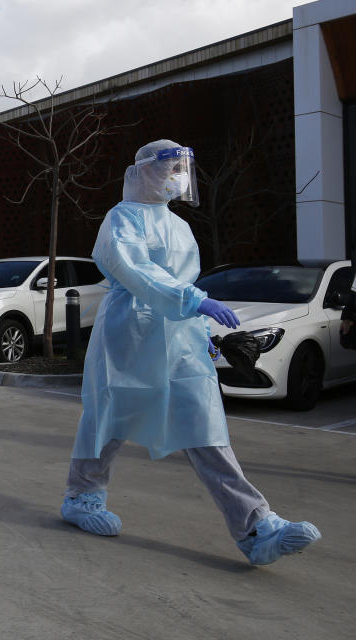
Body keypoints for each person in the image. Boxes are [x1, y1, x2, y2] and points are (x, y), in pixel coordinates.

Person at [60, 140, 321, 565]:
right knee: (110, 415)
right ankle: (82, 496)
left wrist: (204, 333)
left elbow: (183, 280)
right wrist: (193, 301)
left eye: (182, 170)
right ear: (144, 171)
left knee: (203, 424)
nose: (177, 177)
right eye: (170, 168)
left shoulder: (180, 226)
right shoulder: (121, 217)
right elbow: (134, 269)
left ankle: (256, 527)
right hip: (130, 332)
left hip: (179, 335)